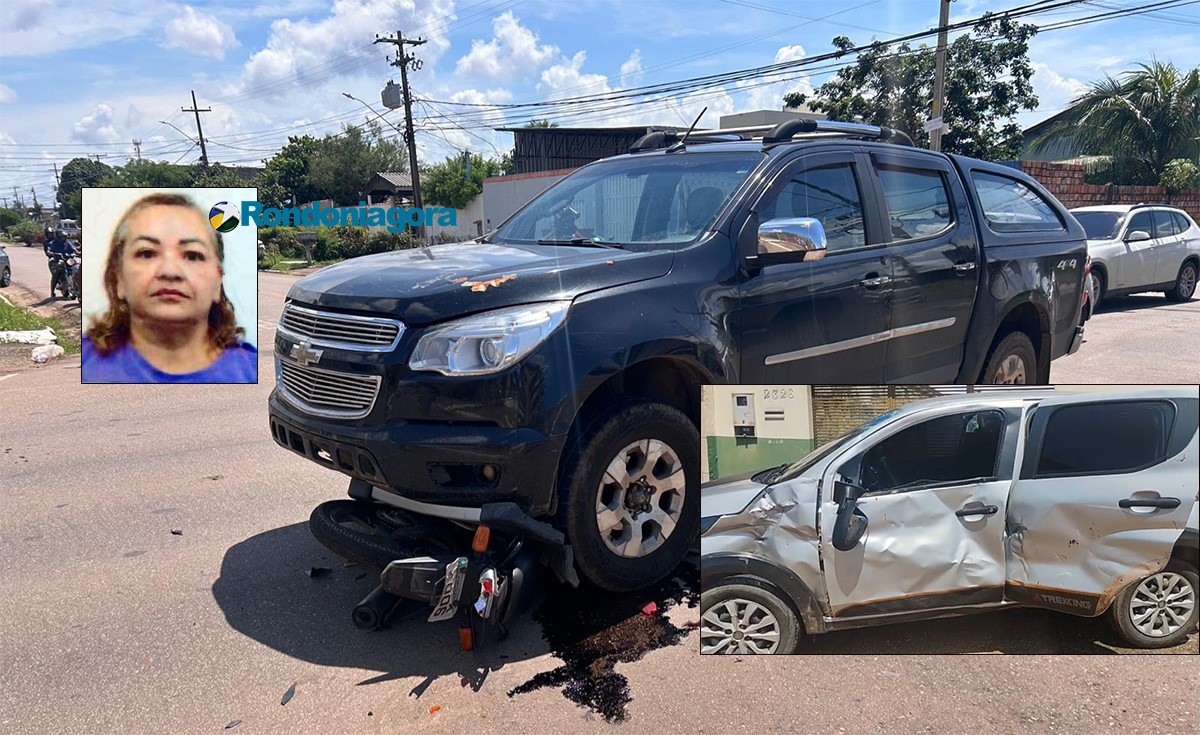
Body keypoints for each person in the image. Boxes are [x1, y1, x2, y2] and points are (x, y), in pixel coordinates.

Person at [83, 192, 257, 384]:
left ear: (217, 282)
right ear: (118, 279)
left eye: (192, 255)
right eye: (147, 253)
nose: (170, 271)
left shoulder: (249, 369)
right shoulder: (88, 363)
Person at [44, 228, 78, 296]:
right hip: (58, 260)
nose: (63, 238)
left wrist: (76, 252)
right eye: (61, 237)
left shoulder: (67, 242)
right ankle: (52, 291)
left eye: (64, 237)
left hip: (67, 259)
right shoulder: (52, 243)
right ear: (58, 238)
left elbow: (74, 249)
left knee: (76, 268)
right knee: (56, 273)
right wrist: (50, 253)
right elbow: (48, 250)